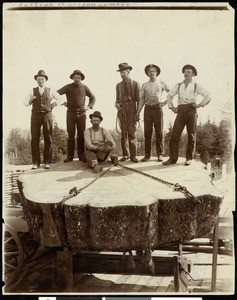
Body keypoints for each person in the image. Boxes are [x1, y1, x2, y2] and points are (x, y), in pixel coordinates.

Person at [163, 64, 211, 166]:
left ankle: (189, 158)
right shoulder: (178, 85)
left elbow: (208, 95)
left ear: (193, 74)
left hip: (191, 111)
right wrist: (171, 107)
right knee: (174, 135)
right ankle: (173, 158)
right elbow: (169, 95)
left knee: (191, 135)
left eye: (189, 72)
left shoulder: (196, 85)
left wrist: (199, 105)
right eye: (185, 71)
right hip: (180, 111)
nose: (186, 73)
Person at [23, 70, 64, 170]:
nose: (40, 81)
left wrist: (54, 104)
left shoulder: (50, 90)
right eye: (38, 79)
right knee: (34, 138)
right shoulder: (32, 90)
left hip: (47, 115)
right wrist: (29, 100)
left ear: (45, 80)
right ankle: (35, 162)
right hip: (35, 115)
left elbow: (62, 99)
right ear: (36, 80)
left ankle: (47, 162)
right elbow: (24, 102)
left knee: (48, 138)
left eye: (42, 79)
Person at [57, 70, 96, 162]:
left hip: (82, 114)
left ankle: (81, 156)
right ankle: (69, 156)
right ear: (73, 78)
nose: (77, 79)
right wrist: (63, 102)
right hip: (70, 113)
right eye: (75, 77)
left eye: (79, 77)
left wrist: (89, 107)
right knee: (71, 135)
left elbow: (93, 97)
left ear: (81, 78)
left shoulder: (85, 87)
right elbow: (56, 94)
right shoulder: (68, 87)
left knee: (81, 135)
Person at [135, 64, 170, 162]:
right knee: (147, 133)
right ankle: (147, 155)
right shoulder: (144, 85)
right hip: (147, 110)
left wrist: (166, 102)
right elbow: (142, 99)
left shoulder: (161, 83)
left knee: (159, 132)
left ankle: (160, 154)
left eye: (153, 71)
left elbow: (171, 93)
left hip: (157, 109)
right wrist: (138, 112)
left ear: (157, 72)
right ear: (147, 73)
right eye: (150, 71)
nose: (152, 73)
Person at [115, 63, 141, 163]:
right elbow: (116, 100)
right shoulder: (118, 86)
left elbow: (140, 100)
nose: (122, 74)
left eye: (123, 72)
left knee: (132, 133)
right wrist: (117, 105)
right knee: (123, 133)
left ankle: (133, 155)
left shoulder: (135, 84)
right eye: (120, 72)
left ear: (128, 72)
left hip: (132, 109)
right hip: (122, 110)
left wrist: (137, 113)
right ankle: (125, 155)